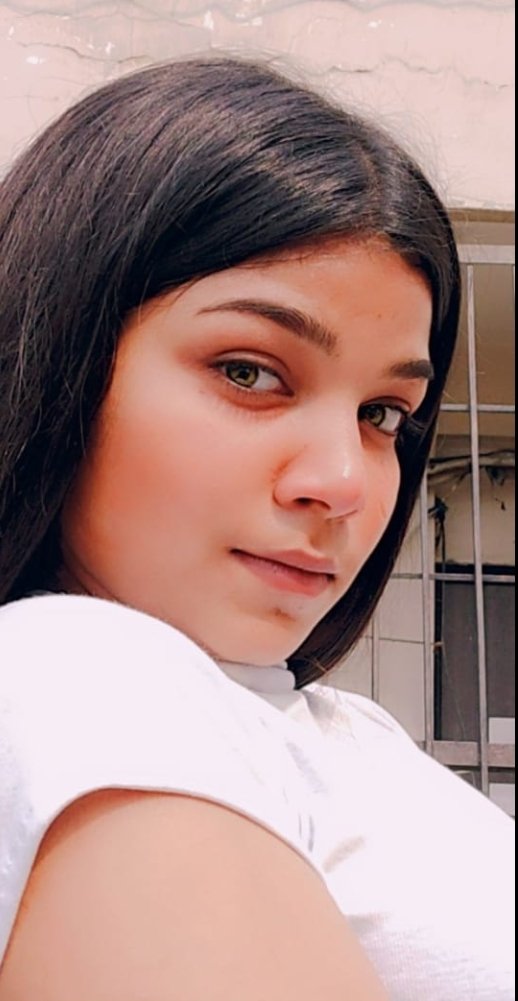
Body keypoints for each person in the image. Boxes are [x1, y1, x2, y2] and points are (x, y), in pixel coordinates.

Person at [0, 57, 513, 1001]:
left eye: (383, 414)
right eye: (249, 371)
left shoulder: (326, 727)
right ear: (60, 356)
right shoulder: (81, 671)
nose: (344, 483)